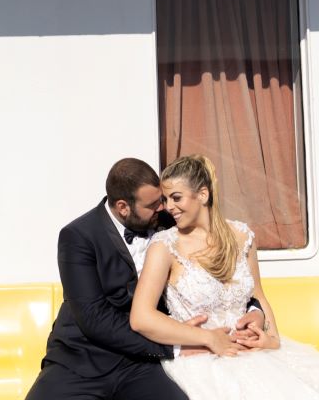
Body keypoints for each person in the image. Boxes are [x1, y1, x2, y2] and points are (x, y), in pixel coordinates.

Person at [130, 154, 319, 400]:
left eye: (176, 198)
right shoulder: (165, 246)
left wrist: (271, 339)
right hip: (202, 363)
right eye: (166, 199)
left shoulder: (242, 236)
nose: (168, 207)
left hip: (254, 355)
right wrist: (208, 338)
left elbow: (258, 296)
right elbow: (141, 317)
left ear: (203, 195)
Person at [25, 157, 266, 400]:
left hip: (144, 363)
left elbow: (224, 270)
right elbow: (94, 318)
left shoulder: (171, 221)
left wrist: (254, 308)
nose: (164, 208)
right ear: (123, 207)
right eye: (153, 204)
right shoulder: (78, 236)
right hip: (84, 357)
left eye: (163, 199)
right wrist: (177, 346)